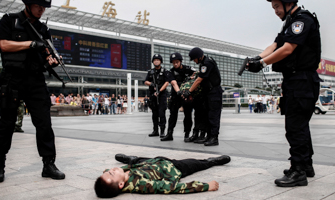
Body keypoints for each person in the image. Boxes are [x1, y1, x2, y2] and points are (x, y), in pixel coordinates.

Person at [245, 0, 321, 187]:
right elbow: (275, 45)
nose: (275, 11)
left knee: (295, 127)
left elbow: (287, 49)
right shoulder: (290, 22)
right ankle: (306, 165)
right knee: (300, 125)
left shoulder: (301, 20)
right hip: (296, 81)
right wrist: (257, 58)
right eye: (273, 8)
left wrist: (262, 64)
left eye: (277, 6)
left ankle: (299, 171)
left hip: (302, 80)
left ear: (288, 2)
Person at [0, 0, 65, 183]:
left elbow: (45, 57)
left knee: (44, 123)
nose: (42, 9)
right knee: (6, 124)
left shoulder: (43, 29)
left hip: (35, 80)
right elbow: (4, 45)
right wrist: (31, 44)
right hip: (12, 79)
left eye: (44, 7)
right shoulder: (10, 20)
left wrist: (52, 61)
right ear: (28, 4)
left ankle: (48, 164)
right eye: (39, 5)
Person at [94, 154, 231, 198]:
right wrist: (206, 186)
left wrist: (106, 176)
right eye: (111, 173)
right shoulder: (141, 185)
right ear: (121, 185)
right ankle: (211, 161)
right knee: (194, 163)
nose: (112, 169)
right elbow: (171, 187)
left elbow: (108, 175)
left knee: (137, 161)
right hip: (172, 167)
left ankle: (131, 159)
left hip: (150, 163)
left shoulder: (120, 175)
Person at [183, 47, 223, 146]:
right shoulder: (203, 63)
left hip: (214, 93)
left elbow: (199, 80)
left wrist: (189, 91)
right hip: (209, 93)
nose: (194, 61)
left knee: (213, 116)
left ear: (199, 57)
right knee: (208, 116)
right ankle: (209, 137)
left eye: (194, 59)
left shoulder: (207, 63)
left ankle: (214, 138)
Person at [161, 52, 196, 142]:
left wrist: (193, 78)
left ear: (180, 61)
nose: (175, 64)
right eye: (173, 62)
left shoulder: (188, 69)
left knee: (188, 115)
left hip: (187, 95)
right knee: (173, 115)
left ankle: (187, 134)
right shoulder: (170, 72)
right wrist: (179, 92)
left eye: (177, 62)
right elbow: (173, 83)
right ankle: (169, 134)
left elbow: (197, 75)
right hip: (176, 95)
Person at [144, 54, 171, 138]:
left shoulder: (165, 71)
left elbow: (167, 82)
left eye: (158, 60)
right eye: (154, 60)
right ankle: (155, 131)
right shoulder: (150, 72)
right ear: (153, 62)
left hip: (162, 95)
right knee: (154, 114)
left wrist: (159, 90)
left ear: (161, 61)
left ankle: (162, 131)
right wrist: (152, 84)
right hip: (153, 95)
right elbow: (145, 81)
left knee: (161, 113)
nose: (156, 61)